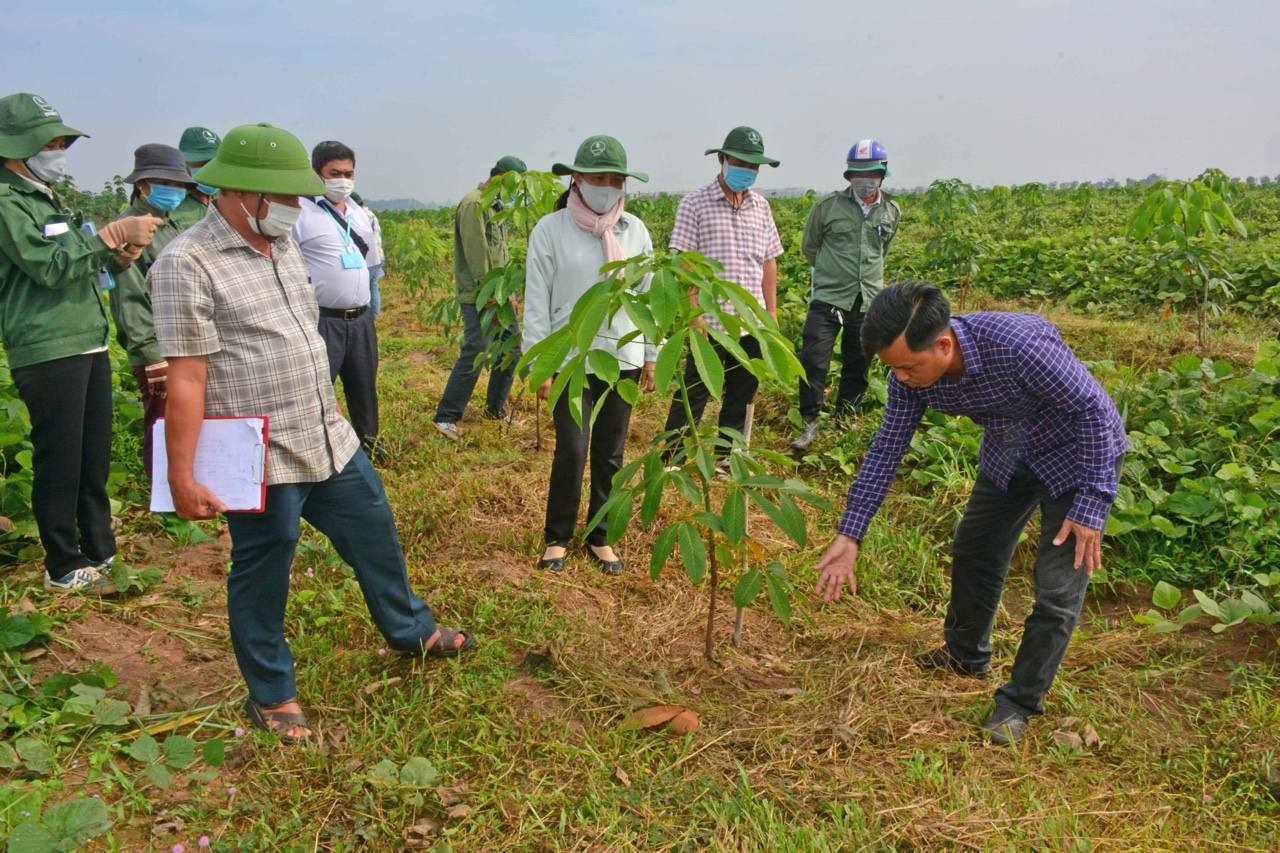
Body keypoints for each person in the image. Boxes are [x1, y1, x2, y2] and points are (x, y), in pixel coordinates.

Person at [150, 122, 473, 745]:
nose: (300, 207)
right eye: (290, 196)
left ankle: (413, 631)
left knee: (374, 527)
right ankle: (272, 693)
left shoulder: (285, 243)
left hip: (324, 430)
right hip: (260, 450)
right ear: (244, 193)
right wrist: (181, 474)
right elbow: (187, 378)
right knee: (265, 562)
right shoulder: (186, 264)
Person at [812, 282, 1127, 745]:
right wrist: (851, 533)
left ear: (943, 344)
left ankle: (1019, 702)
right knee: (975, 548)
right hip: (1009, 455)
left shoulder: (1017, 345)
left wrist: (1093, 503)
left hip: (1078, 460)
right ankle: (965, 655)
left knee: (1057, 590)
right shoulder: (911, 378)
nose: (900, 378)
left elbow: (1096, 412)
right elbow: (887, 448)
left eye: (907, 366)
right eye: (892, 368)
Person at [0, 92, 162, 593]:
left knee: (92, 455)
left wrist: (116, 259)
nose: (58, 150)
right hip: (48, 345)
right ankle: (62, 564)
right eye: (48, 142)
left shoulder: (45, 194)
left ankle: (99, 548)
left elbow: (74, 261)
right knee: (61, 457)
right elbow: (47, 267)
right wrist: (112, 234)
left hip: (86, 339)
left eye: (60, 140)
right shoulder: (7, 202)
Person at [523, 137, 655, 575]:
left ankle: (601, 536)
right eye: (598, 178)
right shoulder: (551, 230)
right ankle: (557, 536)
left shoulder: (633, 230)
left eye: (615, 179)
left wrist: (650, 356)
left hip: (623, 356)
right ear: (576, 178)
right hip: (570, 359)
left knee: (611, 450)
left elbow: (649, 300)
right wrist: (540, 366)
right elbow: (537, 302)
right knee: (573, 449)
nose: (607, 186)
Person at [660, 126, 783, 458]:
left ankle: (727, 458)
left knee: (742, 392)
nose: (747, 171)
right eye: (741, 162)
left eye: (753, 166)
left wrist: (770, 312)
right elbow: (683, 264)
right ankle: (673, 457)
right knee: (696, 389)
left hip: (751, 320)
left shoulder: (761, 207)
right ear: (722, 159)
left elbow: (769, 262)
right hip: (711, 321)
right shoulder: (694, 204)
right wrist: (694, 314)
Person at [791, 139, 901, 452]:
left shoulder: (891, 210)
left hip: (868, 299)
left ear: (882, 174)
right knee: (813, 359)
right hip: (828, 297)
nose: (863, 180)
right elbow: (809, 247)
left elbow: (883, 249)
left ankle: (844, 419)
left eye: (870, 173)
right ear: (849, 175)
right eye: (857, 174)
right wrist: (831, 273)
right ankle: (810, 422)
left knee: (859, 363)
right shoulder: (827, 207)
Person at [290, 140, 383, 462]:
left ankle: (369, 443)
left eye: (349, 173)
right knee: (317, 385)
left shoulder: (358, 213)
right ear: (317, 174)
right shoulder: (300, 213)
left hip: (360, 318)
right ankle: (315, 448)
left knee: (364, 385)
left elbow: (369, 260)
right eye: (334, 173)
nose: (343, 180)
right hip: (322, 318)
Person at [110, 144, 198, 478]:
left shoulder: (172, 225)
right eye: (165, 183)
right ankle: (167, 505)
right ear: (142, 185)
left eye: (179, 184)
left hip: (186, 343)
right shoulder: (129, 231)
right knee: (164, 426)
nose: (174, 191)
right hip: (160, 351)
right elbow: (129, 299)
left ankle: (185, 495)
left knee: (187, 425)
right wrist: (152, 357)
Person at [433, 156, 526, 440]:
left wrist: (508, 296)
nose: (516, 192)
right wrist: (491, 300)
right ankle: (446, 417)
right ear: (501, 178)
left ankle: (494, 411)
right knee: (477, 348)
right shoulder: (475, 203)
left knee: (510, 350)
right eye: (515, 184)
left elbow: (499, 255)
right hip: (480, 297)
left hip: (498, 295)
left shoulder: (493, 205)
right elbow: (478, 257)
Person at [175, 126, 221, 228]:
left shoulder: (233, 198)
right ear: (184, 164)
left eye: (213, 163)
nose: (208, 170)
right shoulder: (172, 202)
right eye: (200, 164)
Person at [350, 192, 385, 317]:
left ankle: (368, 315)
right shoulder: (371, 214)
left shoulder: (358, 215)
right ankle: (375, 314)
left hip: (369, 257)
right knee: (373, 285)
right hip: (379, 255)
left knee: (364, 286)